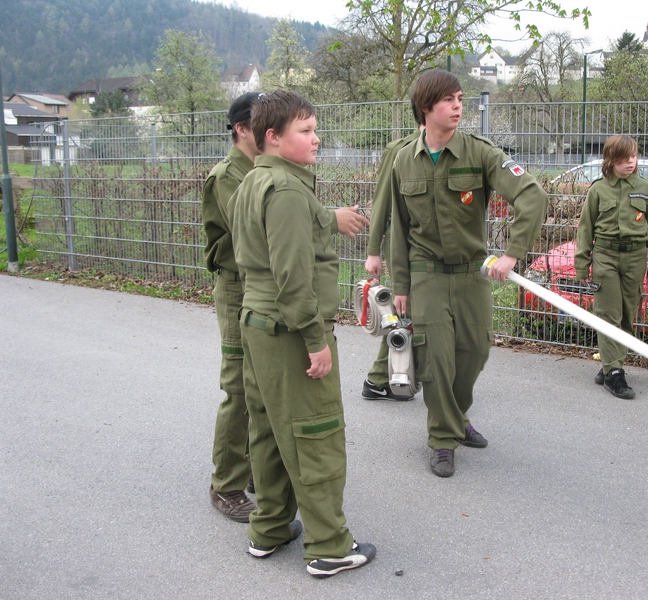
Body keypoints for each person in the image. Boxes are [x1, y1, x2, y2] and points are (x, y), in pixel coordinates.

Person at [228, 90, 375, 577]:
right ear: (273, 137)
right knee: (316, 434)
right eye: (306, 130)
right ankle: (329, 546)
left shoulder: (255, 180)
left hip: (258, 324)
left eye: (315, 129)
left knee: (269, 431)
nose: (317, 139)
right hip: (290, 330)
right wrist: (315, 340)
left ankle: (269, 528)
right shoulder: (287, 190)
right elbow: (292, 276)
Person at [390, 70, 548, 478]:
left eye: (461, 98)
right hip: (426, 273)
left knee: (475, 352)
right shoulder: (403, 159)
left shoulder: (481, 152)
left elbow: (532, 196)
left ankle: (457, 417)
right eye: (449, 100)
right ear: (426, 107)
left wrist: (512, 254)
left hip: (471, 273)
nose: (459, 106)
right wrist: (401, 284)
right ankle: (442, 438)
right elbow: (399, 227)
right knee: (436, 360)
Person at [574, 134, 648, 400]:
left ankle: (611, 365)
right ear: (611, 160)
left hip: (635, 258)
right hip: (606, 256)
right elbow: (585, 228)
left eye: (633, 157)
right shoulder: (598, 189)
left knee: (626, 316)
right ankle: (614, 373)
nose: (630, 162)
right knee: (608, 315)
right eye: (624, 158)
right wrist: (582, 264)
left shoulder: (644, 188)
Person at [362, 125, 423, 401]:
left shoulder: (452, 148)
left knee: (416, 311)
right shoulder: (400, 150)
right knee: (407, 310)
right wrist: (373, 250)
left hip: (433, 247)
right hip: (403, 243)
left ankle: (391, 375)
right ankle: (379, 378)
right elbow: (382, 202)